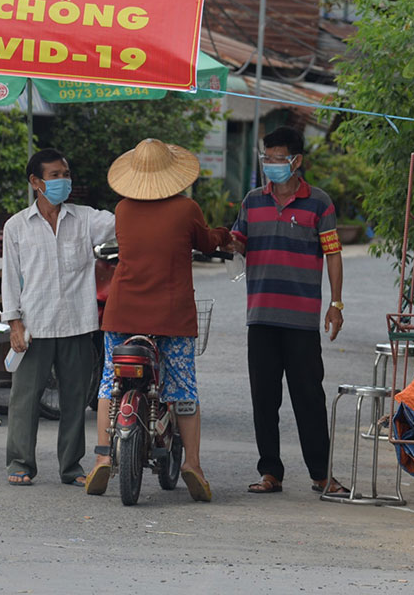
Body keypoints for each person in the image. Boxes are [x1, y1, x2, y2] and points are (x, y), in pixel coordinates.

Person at [84, 139, 232, 502]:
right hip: (172, 315)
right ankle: (192, 465)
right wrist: (225, 235)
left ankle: (103, 454)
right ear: (171, 174)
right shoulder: (186, 209)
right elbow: (208, 243)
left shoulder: (122, 209)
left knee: (109, 382)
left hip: (123, 311)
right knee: (182, 387)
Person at [231, 126, 345, 496]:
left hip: (301, 320)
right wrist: (217, 240)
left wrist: (336, 304)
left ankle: (321, 475)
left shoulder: (319, 203)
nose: (271, 165)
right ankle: (270, 472)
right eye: (267, 158)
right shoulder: (251, 201)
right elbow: (237, 243)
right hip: (261, 316)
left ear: (297, 161)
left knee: (309, 397)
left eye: (278, 159)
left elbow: (333, 254)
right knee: (264, 399)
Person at [2, 148, 115, 487]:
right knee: (24, 400)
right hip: (34, 325)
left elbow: (123, 223)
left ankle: (71, 467)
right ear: (36, 182)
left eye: (66, 174)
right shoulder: (16, 227)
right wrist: (14, 323)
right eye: (54, 175)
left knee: (75, 401)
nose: (63, 180)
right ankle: (19, 463)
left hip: (78, 324)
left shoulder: (85, 219)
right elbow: (10, 278)